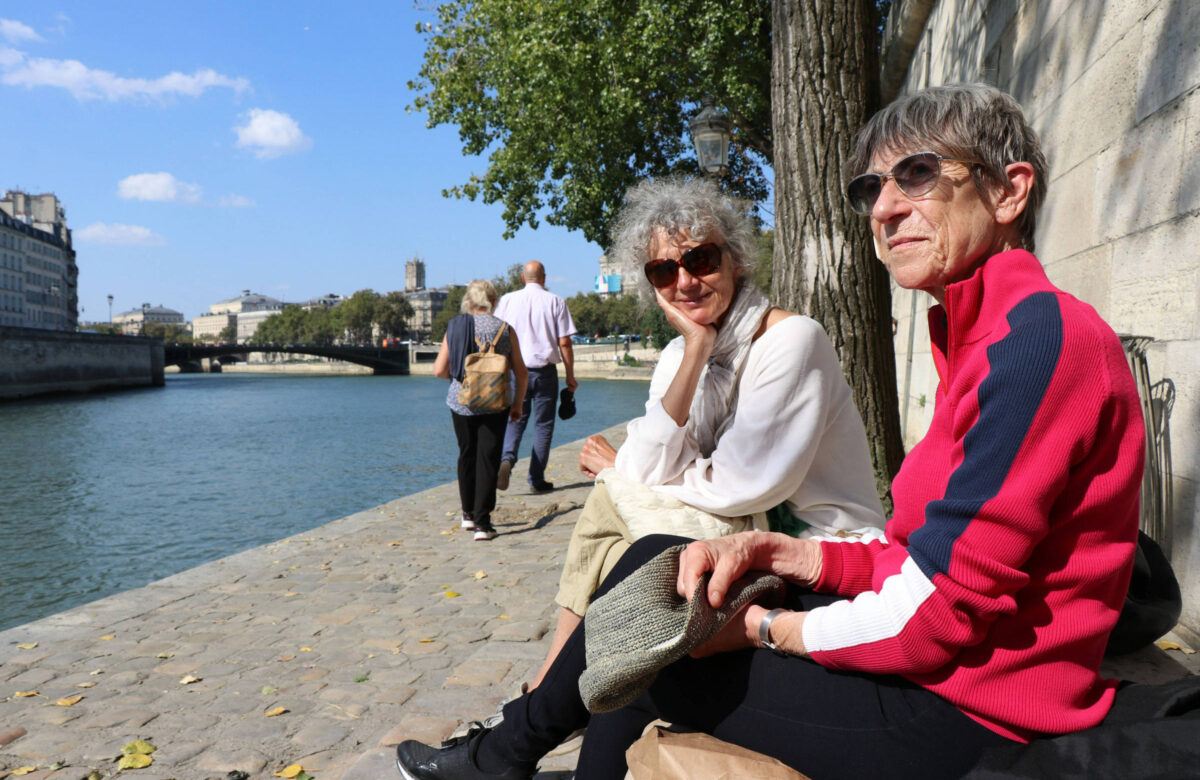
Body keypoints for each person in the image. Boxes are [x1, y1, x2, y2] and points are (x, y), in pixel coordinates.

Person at [394, 84, 1145, 780]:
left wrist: (763, 627)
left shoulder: (1034, 344)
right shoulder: (986, 338)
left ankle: (505, 753)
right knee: (662, 565)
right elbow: (912, 558)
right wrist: (776, 550)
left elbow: (937, 616)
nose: (884, 209)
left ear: (1009, 190)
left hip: (974, 711)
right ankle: (506, 753)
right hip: (946, 668)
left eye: (916, 175)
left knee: (653, 655)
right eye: (870, 189)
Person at [527, 176, 887, 690]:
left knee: (613, 502)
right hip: (735, 537)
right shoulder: (680, 355)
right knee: (615, 542)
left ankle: (537, 702)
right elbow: (652, 464)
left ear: (735, 259)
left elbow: (743, 484)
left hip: (814, 551)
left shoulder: (791, 341)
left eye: (700, 260)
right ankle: (543, 707)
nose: (685, 282)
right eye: (663, 270)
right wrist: (695, 350)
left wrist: (624, 476)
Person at [433, 279, 528, 542]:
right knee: (488, 458)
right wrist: (518, 404)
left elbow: (439, 370)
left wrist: (463, 379)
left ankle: (468, 514)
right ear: (493, 301)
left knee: (467, 454)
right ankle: (483, 525)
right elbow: (521, 373)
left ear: (469, 302)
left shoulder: (455, 326)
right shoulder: (506, 330)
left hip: (460, 402)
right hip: (496, 403)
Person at [494, 261, 578, 493]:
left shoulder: (507, 301)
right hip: (544, 372)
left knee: (515, 419)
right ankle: (536, 479)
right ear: (544, 278)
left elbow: (497, 335)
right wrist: (570, 376)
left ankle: (507, 460)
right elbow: (565, 343)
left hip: (514, 370)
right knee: (543, 425)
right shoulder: (555, 301)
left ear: (523, 278)